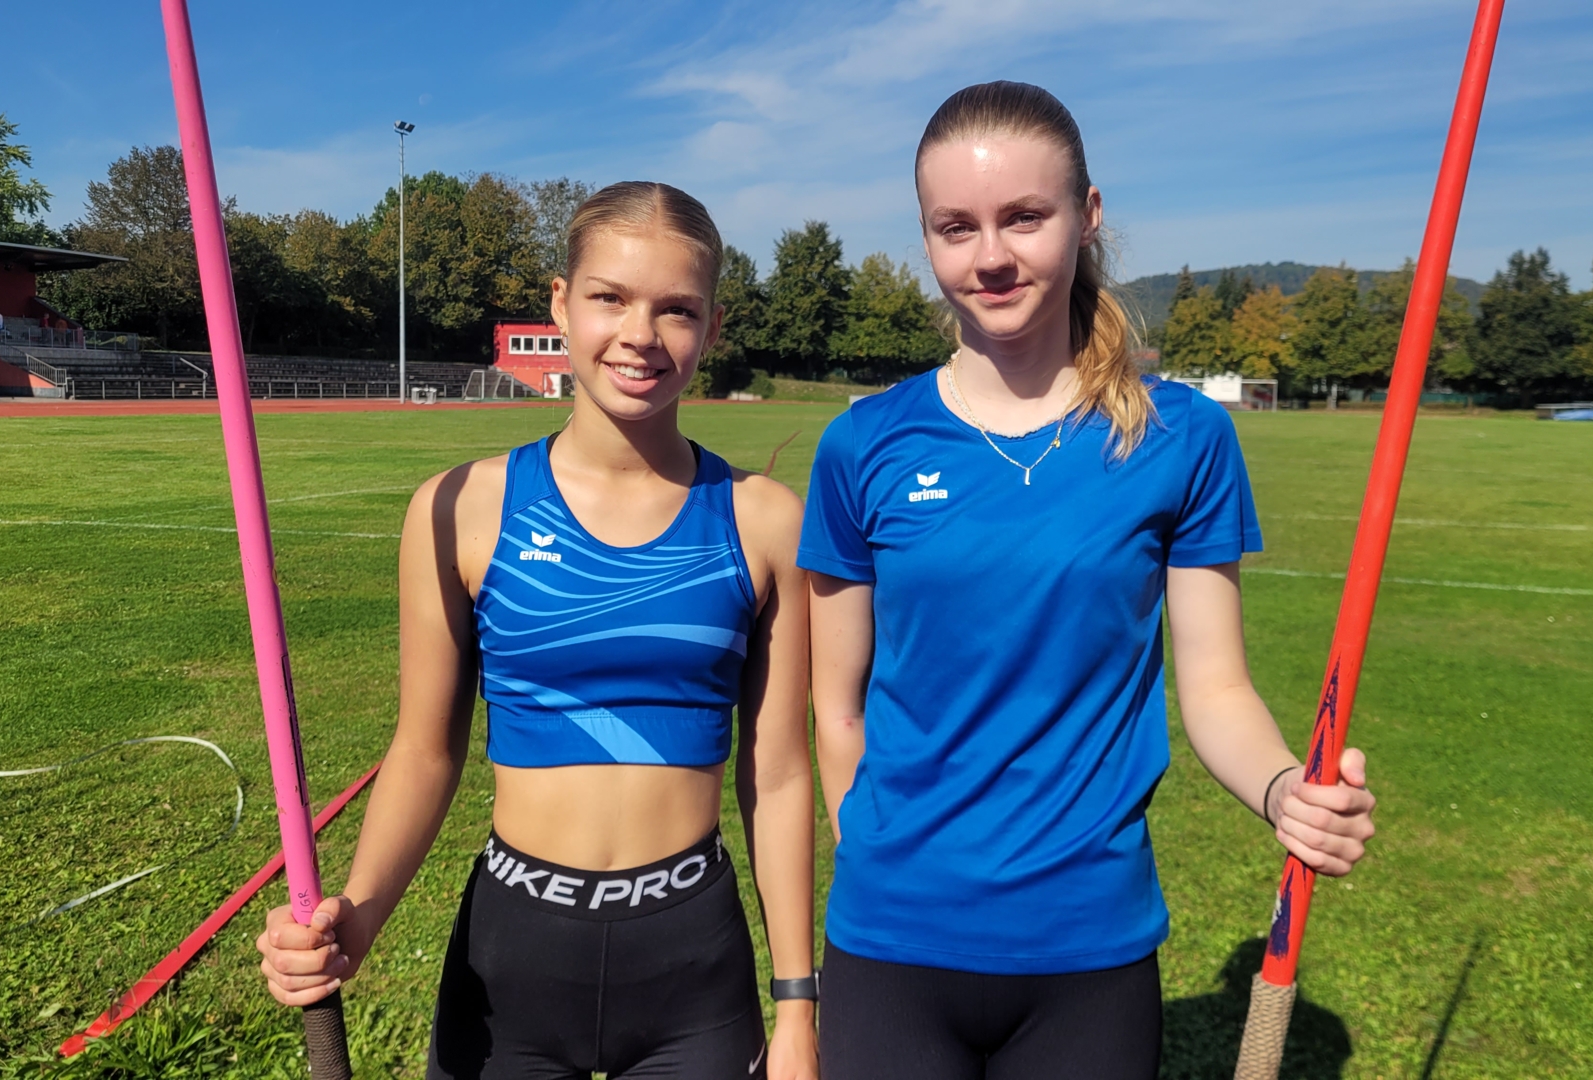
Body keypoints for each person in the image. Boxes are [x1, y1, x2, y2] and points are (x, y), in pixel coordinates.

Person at [800, 82, 1379, 1079]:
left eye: (1025, 216)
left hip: (1088, 950)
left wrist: (1285, 786)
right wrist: (882, 846)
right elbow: (836, 703)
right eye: (956, 227)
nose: (990, 256)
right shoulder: (864, 445)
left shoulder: (1182, 437)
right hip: (892, 943)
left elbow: (1215, 687)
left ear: (1089, 215)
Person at [256, 181, 819, 1080]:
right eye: (610, 297)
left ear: (711, 328)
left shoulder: (765, 522)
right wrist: (354, 918)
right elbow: (422, 751)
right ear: (560, 304)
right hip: (512, 961)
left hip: (692, 965)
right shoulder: (458, 509)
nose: (641, 333)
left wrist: (797, 1005)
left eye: (677, 309)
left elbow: (781, 772)